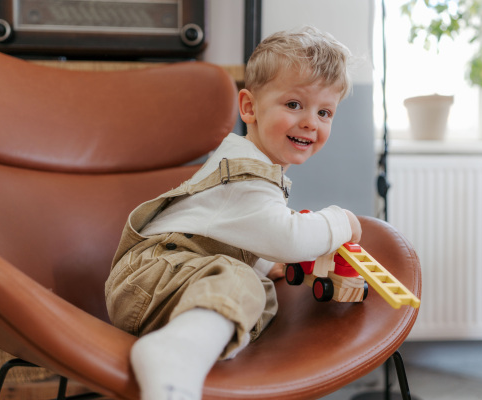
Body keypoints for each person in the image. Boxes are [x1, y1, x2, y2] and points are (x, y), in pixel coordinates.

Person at [105, 25, 362, 400]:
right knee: (238, 282)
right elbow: (289, 239)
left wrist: (262, 265)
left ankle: (187, 348)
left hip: (171, 280)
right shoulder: (245, 173)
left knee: (252, 285)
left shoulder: (247, 163)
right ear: (249, 107)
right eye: (294, 105)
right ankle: (172, 357)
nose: (311, 121)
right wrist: (342, 221)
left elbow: (221, 231)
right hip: (152, 277)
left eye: (325, 112)